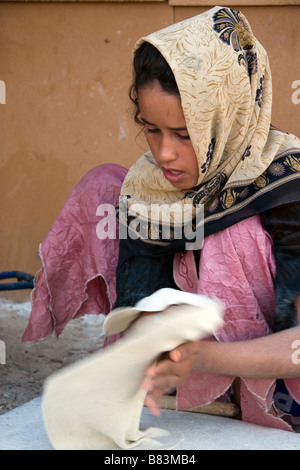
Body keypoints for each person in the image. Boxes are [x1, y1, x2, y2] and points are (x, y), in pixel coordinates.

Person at [23, 6, 300, 431]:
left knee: (234, 232)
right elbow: (140, 295)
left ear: (226, 118)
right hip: (182, 370)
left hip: (277, 374)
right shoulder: (148, 186)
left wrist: (201, 357)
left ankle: (243, 393)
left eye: (185, 135)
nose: (164, 153)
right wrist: (152, 340)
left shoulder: (288, 184)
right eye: (152, 129)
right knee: (106, 186)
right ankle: (173, 387)